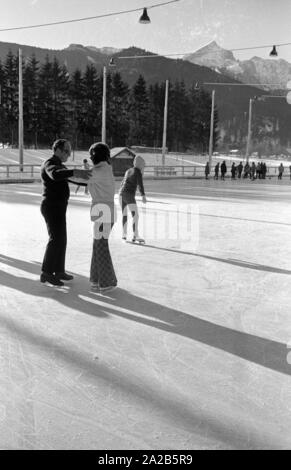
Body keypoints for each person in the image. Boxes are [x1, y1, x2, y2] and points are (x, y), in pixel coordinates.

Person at [40, 139, 91, 286]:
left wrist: (91, 181)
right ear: (58, 150)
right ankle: (46, 272)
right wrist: (75, 171)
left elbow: (73, 178)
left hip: (58, 207)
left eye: (70, 151)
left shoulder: (60, 165)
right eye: (67, 151)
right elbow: (55, 174)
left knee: (61, 239)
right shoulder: (50, 163)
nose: (69, 154)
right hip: (51, 206)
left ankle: (59, 270)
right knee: (55, 239)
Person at [87, 142, 117, 293]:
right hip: (102, 212)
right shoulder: (102, 169)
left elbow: (82, 178)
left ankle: (106, 282)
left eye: (92, 154)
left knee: (101, 246)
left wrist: (65, 174)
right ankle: (96, 280)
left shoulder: (100, 171)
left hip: (104, 212)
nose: (91, 157)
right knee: (97, 245)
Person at [119, 155, 147, 242]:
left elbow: (122, 182)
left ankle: (124, 235)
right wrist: (143, 195)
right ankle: (135, 235)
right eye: (143, 165)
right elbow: (140, 184)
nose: (144, 167)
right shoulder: (137, 171)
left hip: (120, 194)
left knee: (124, 214)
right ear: (141, 164)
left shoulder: (128, 170)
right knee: (135, 215)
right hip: (128, 195)